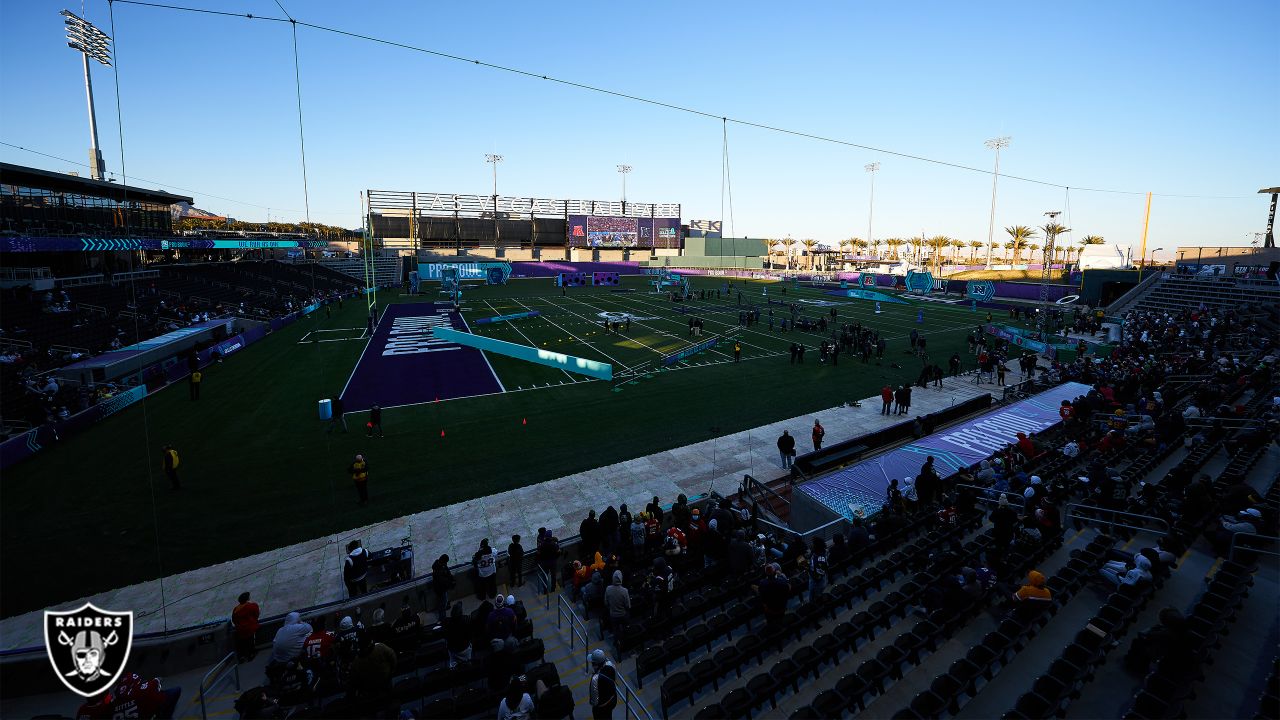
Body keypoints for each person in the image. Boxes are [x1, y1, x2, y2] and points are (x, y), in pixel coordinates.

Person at [105, 673, 182, 720]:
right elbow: (154, 685)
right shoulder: (141, 692)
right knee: (175, 691)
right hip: (146, 711)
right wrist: (156, 680)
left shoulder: (112, 706)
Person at [588, 649, 618, 719]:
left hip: (602, 707)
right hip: (613, 699)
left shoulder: (595, 678)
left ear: (595, 665)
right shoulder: (611, 665)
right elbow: (615, 679)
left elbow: (594, 701)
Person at [231, 591, 260, 662]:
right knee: (250, 641)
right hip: (250, 628)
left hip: (240, 630)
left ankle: (242, 656)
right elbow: (256, 614)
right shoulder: (252, 606)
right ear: (247, 599)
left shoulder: (236, 609)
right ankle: (251, 655)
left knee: (242, 643)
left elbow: (234, 620)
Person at [444, 603, 472, 668]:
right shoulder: (466, 620)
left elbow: (445, 636)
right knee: (468, 665)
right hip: (465, 649)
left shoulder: (447, 623)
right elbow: (470, 635)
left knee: (453, 666)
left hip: (453, 650)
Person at [431, 553, 454, 622]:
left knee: (444, 600)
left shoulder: (441, 565)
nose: (446, 564)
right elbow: (442, 581)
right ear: (443, 561)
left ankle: (445, 606)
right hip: (440, 589)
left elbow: (447, 571)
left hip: (442, 588)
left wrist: (451, 578)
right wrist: (450, 583)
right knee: (442, 603)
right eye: (446, 562)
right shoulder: (438, 570)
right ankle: (442, 618)